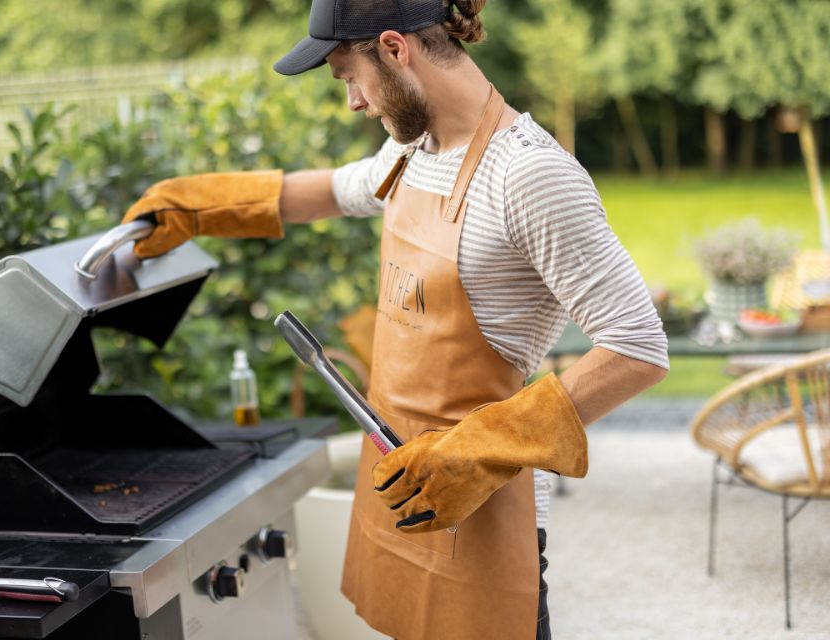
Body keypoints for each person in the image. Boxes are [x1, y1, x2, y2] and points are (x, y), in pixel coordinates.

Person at [121, 1, 670, 638]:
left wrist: (475, 452)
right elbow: (335, 190)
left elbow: (636, 346)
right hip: (405, 493)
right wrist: (200, 205)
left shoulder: (529, 175)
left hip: (481, 514)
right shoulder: (414, 150)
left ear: (393, 48)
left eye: (348, 75)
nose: (353, 101)